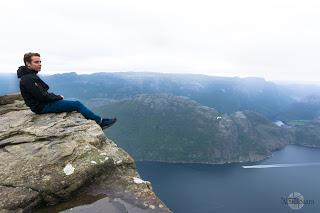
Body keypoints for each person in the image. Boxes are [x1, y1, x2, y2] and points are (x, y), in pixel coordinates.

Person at [17, 52, 117, 129]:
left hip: (41, 105)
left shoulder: (29, 76)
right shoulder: (28, 79)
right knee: (77, 104)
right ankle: (100, 122)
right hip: (41, 107)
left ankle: (94, 119)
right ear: (28, 64)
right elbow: (42, 96)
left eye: (40, 61)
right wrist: (58, 97)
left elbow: (41, 94)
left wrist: (55, 97)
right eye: (36, 62)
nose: (40, 64)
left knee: (73, 100)